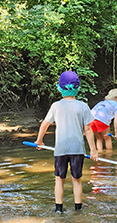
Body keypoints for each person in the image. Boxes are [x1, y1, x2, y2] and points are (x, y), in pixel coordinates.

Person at [35, 70, 98, 213]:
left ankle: (58, 209)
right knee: (76, 179)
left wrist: (39, 140)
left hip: (61, 149)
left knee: (59, 179)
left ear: (59, 88)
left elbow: (44, 124)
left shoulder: (56, 106)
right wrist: (93, 150)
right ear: (78, 88)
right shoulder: (83, 106)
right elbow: (88, 129)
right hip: (77, 149)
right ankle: (78, 209)